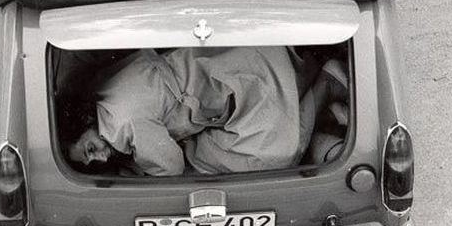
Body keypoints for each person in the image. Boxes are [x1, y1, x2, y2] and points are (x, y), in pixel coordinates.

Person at [59, 46, 303, 176]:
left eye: (91, 149)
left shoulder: (122, 126)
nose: (102, 157)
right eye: (92, 161)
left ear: (86, 120)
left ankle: (326, 84)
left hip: (251, 86)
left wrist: (138, 168)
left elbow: (171, 167)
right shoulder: (101, 87)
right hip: (238, 55)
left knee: (274, 159)